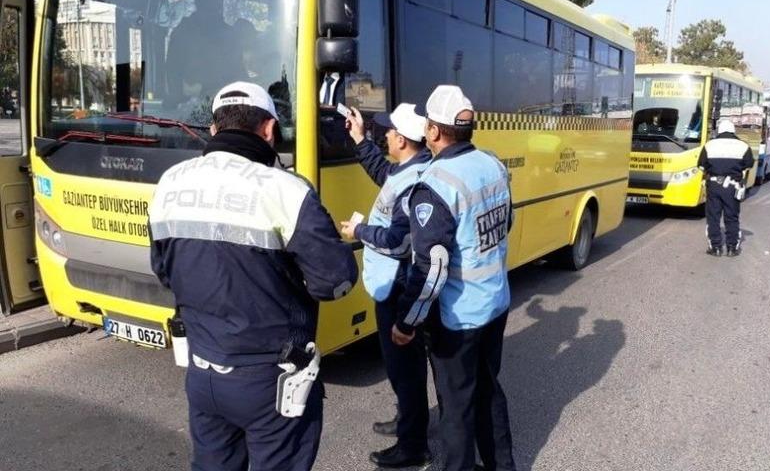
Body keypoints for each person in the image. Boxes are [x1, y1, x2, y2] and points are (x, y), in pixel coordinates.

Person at [149, 81, 358, 471]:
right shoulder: (287, 190)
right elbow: (335, 281)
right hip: (271, 381)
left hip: (203, 370)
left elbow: (163, 271)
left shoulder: (169, 184)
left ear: (213, 130)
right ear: (268, 130)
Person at [393, 85, 516, 471]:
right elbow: (504, 224)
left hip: (458, 317)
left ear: (432, 131)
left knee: (457, 408)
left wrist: (406, 322)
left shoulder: (436, 184)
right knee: (488, 393)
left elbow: (432, 267)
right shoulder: (492, 164)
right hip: (495, 303)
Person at [339, 103, 433, 468]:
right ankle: (407, 420)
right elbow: (385, 173)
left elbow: (399, 242)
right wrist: (360, 139)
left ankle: (414, 447)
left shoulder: (413, 183)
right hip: (392, 283)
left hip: (398, 286)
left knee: (404, 366)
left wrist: (358, 231)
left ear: (403, 140)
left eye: (389, 131)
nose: (386, 136)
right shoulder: (410, 169)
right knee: (401, 368)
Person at [698, 119, 754, 257]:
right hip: (732, 187)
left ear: (719, 130)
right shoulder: (743, 146)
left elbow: (701, 166)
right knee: (732, 217)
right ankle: (731, 248)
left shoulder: (709, 145)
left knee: (713, 217)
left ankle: (716, 248)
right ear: (733, 130)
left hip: (714, 186)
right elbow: (749, 165)